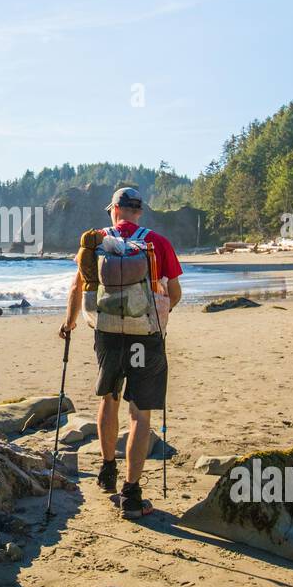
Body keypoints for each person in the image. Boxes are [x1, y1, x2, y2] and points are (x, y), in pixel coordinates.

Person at [59, 187, 182, 517]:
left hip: (108, 335)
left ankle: (107, 469)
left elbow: (78, 286)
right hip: (146, 336)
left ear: (113, 209)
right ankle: (131, 495)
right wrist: (158, 316)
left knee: (108, 398)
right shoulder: (157, 242)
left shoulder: (96, 240)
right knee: (140, 413)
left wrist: (69, 324)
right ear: (139, 212)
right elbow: (175, 292)